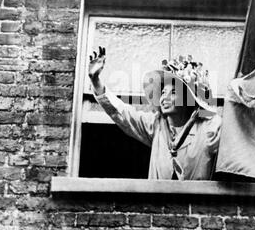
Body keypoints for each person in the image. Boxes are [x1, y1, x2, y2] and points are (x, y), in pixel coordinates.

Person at [88, 47, 222, 180]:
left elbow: (235, 144)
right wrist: (95, 80)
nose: (164, 98)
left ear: (189, 99)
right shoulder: (157, 125)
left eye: (173, 93)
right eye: (163, 93)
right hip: (157, 201)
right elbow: (122, 112)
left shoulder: (209, 128)